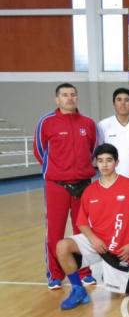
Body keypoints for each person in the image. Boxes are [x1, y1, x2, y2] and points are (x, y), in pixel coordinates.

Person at [55, 144, 129, 309]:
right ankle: (78, 290)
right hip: (97, 243)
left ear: (116, 162)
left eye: (109, 160)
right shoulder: (90, 191)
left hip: (120, 248)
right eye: (100, 161)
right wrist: (93, 239)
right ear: (96, 163)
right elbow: (81, 222)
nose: (104, 165)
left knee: (123, 292)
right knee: (62, 246)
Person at [34, 83, 97, 290]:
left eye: (72, 95)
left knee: (83, 230)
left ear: (77, 98)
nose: (69, 98)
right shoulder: (46, 123)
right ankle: (55, 274)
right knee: (55, 231)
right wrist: (58, 171)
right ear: (57, 99)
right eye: (64, 95)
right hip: (56, 186)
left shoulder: (88, 124)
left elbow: (92, 150)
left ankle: (84, 271)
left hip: (83, 186)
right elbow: (40, 151)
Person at [97, 87, 129, 193]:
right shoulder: (103, 125)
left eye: (127, 100)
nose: (123, 103)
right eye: (119, 100)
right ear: (113, 103)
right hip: (111, 179)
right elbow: (100, 152)